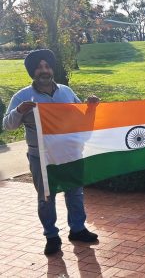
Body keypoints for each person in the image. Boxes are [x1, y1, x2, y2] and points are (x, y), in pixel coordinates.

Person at [2, 49, 99, 255]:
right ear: (32, 72)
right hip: (41, 157)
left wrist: (90, 107)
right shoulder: (22, 96)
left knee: (75, 192)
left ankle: (78, 229)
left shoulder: (66, 91)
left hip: (70, 153)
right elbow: (8, 126)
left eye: (47, 66)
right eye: (39, 67)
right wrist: (19, 111)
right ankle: (51, 236)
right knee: (46, 197)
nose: (44, 70)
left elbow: (80, 117)